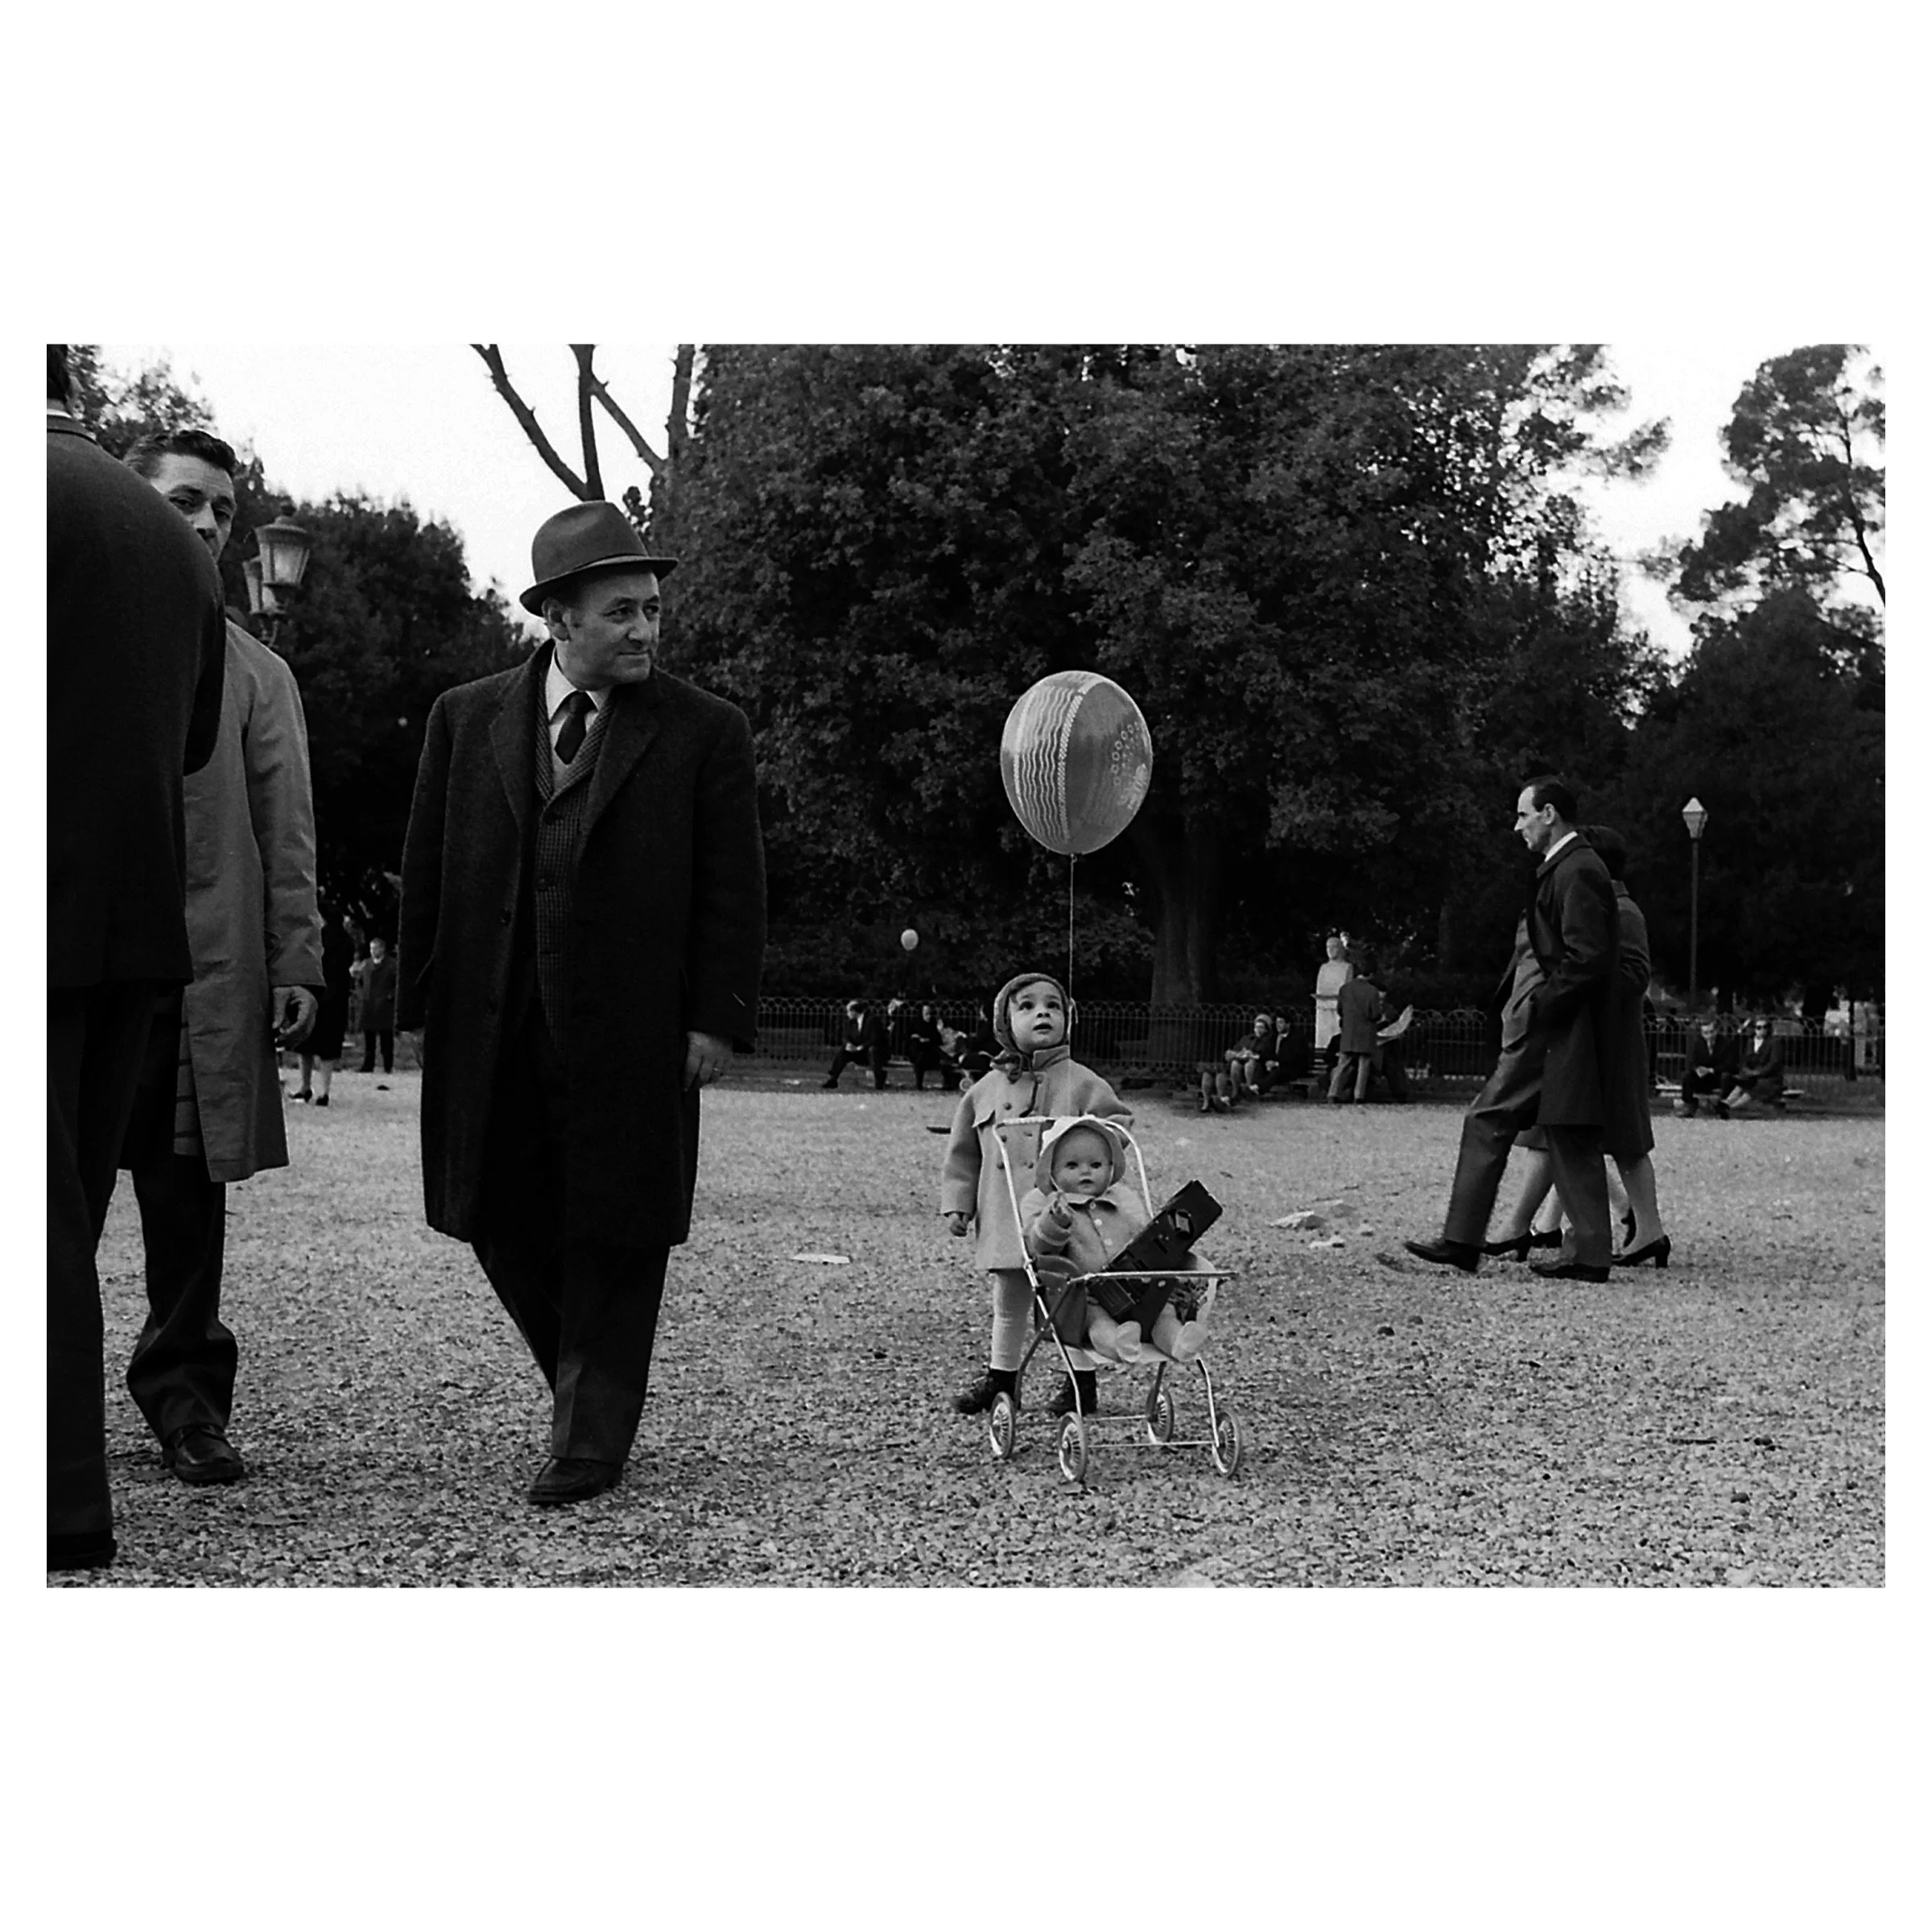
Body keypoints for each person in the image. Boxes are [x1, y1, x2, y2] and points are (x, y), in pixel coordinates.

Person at [398, 500, 766, 1507]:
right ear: (557, 618)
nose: (647, 630)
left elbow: (734, 887)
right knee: (493, 1215)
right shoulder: (463, 718)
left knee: (620, 1225)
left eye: (652, 610)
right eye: (622, 613)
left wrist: (713, 1016)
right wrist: (418, 1005)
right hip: (495, 1022)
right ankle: (587, 1373)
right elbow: (425, 867)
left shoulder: (704, 732)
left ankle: (592, 1435)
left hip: (635, 1033)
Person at [109, 428, 324, 1489]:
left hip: (201, 982)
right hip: (74, 977)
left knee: (188, 1212)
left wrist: (297, 963)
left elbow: (287, 834)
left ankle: (187, 1405)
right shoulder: (63, 639)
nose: (203, 520)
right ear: (131, 502)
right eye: (183, 499)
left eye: (223, 509)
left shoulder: (258, 674)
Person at [47, 348, 227, 1570]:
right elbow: (196, 738)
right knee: (56, 1219)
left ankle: (58, 1506)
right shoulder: (167, 539)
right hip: (129, 924)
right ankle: (62, 1505)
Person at [1404, 776, 1620, 1282]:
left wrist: (1542, 1005)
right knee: (1568, 1131)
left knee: (1487, 1118)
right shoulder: (1576, 867)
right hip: (1563, 1025)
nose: (1517, 825)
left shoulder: (1577, 870)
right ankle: (1590, 1256)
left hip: (1552, 1027)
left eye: (1524, 815)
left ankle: (1461, 1240)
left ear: (1549, 814)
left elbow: (1586, 957)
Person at [939, 972, 1131, 1420]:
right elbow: (963, 1153)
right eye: (1026, 1006)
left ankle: (1080, 1383)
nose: (1042, 1012)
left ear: (1069, 1018)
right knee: (1008, 1300)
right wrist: (957, 1203)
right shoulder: (985, 1089)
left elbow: (1119, 1129)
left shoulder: (1082, 1082)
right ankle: (1001, 1378)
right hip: (1005, 1214)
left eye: (1053, 1005)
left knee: (1069, 1300)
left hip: (1064, 1219)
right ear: (1005, 1022)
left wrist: (1093, 1157)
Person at [1483, 827, 1672, 1269]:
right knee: (1571, 1134)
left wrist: (1578, 980)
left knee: (1612, 1140)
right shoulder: (1600, 908)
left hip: (1610, 1044)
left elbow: (1634, 976)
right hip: (1592, 1040)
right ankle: (1634, 1229)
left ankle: (1639, 1230)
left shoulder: (1622, 912)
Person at [1021, 1117, 1216, 1365]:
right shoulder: (1053, 1208)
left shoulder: (1121, 1203)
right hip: (1087, 1295)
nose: (1086, 1171)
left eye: (1096, 1164)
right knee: (1097, 1323)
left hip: (1138, 1287)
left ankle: (1179, 1341)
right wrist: (1055, 1222)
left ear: (1110, 1168)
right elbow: (1040, 1248)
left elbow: (1143, 1235)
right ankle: (1119, 1344)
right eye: (1072, 1165)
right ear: (1053, 1175)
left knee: (1163, 1312)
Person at [293, 906, 355, 1106]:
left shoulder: (315, 938)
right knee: (329, 1047)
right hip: (337, 998)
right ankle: (325, 1091)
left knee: (305, 1044)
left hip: (315, 993)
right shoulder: (347, 941)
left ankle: (305, 1087)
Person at [1328, 963, 1382, 1103]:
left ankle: (1333, 1093)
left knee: (1343, 1064)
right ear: (1370, 975)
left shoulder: (1345, 989)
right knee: (1363, 1065)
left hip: (1349, 1031)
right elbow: (1375, 1014)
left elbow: (1340, 1010)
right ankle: (1359, 1096)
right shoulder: (1372, 991)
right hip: (1366, 1032)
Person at [1677, 1015, 1738, 1118]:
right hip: (1702, 1076)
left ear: (1716, 1031)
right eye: (1706, 1033)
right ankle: (1690, 1106)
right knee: (1687, 1076)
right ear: (1702, 1033)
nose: (1709, 1035)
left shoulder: (1726, 1043)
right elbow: (1691, 1061)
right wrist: (1698, 1069)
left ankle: (1722, 1108)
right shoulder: (1698, 1043)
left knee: (1726, 1077)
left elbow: (1730, 1063)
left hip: (1717, 1076)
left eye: (1711, 1032)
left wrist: (1712, 1070)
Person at [1726, 1016, 1787, 1113]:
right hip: (1752, 1076)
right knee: (1741, 1084)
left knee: (1755, 1087)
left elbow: (1774, 1063)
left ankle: (1731, 1108)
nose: (1762, 1030)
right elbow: (1745, 1060)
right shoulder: (1751, 1042)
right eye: (1759, 1027)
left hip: (1769, 1078)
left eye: (1765, 1027)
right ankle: (1726, 1103)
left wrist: (1757, 1073)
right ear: (1754, 1029)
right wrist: (1746, 1070)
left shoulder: (1775, 1042)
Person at [355, 934, 398, 1073]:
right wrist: (362, 995)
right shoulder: (366, 964)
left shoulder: (392, 965)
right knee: (369, 1039)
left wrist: (390, 995)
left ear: (383, 949)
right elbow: (359, 982)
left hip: (385, 1005)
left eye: (376, 948)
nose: (373, 951)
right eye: (371, 948)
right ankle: (368, 1065)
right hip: (368, 1005)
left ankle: (388, 1065)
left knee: (386, 1038)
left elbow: (397, 984)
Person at [1312, 935, 1353, 1077]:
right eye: (1327, 947)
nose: (1330, 950)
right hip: (1323, 1004)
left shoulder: (1347, 967)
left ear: (1340, 949)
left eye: (1334, 947)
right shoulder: (1324, 968)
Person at [823, 998, 882, 1089]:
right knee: (843, 1052)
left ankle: (878, 1082)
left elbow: (876, 1038)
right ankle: (833, 1079)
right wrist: (849, 1044)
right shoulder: (851, 1022)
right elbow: (846, 1037)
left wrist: (861, 1047)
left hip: (872, 1052)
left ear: (854, 1011)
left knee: (873, 1050)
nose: (847, 1014)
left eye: (849, 1011)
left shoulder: (872, 1020)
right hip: (859, 1052)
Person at [905, 1001, 946, 1091]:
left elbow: (938, 1039)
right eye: (926, 1014)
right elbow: (908, 1038)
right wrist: (916, 1038)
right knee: (919, 1057)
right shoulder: (915, 1024)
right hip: (917, 1052)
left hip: (930, 1053)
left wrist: (928, 1040)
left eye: (930, 1013)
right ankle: (919, 1084)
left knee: (924, 1056)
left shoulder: (932, 1024)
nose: (929, 1016)